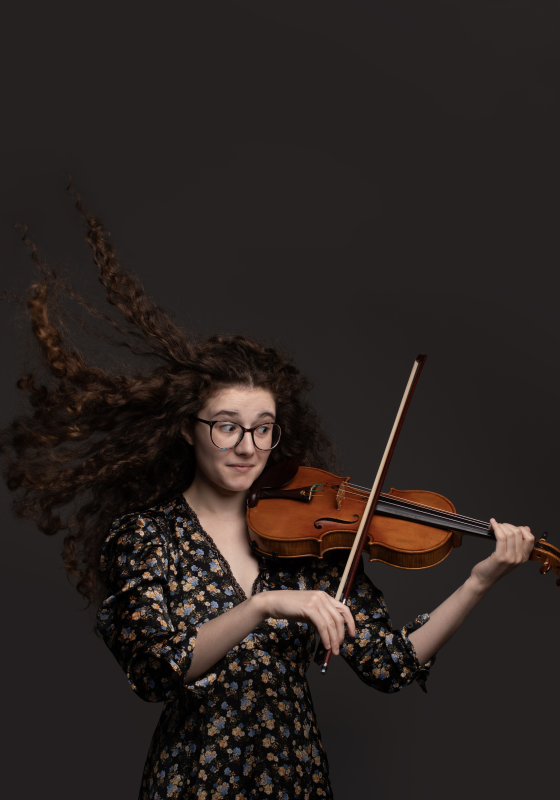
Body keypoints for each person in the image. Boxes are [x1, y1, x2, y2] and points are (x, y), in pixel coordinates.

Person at [1, 189, 534, 800]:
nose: (247, 445)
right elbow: (154, 670)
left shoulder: (312, 542)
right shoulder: (146, 537)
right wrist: (264, 605)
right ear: (188, 429)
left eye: (262, 428)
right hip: (195, 781)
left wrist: (481, 579)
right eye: (226, 425)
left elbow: (391, 664)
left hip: (295, 778)